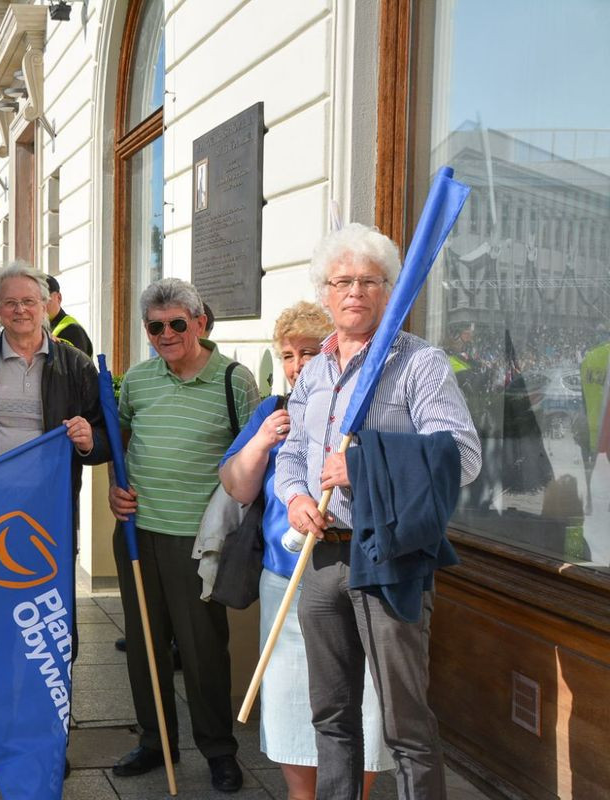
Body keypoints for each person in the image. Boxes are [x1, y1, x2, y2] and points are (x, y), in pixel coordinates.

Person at [274, 223, 481, 799]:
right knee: (331, 716)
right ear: (324, 292)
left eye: (370, 281)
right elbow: (292, 451)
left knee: (404, 724)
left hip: (389, 554)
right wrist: (293, 498)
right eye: (343, 281)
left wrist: (364, 465)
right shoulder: (313, 369)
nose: (355, 292)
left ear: (390, 291)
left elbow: (461, 456)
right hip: (320, 556)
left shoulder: (419, 363)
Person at [0, 260, 110, 782]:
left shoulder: (77, 366)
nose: (20, 311)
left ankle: (46, 740)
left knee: (49, 634)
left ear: (46, 306)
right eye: (10, 303)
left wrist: (89, 440)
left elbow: (107, 440)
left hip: (47, 521)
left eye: (29, 302)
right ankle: (0, 744)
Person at [218, 301, 393, 799]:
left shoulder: (366, 408)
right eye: (288, 354)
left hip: (354, 574)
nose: (296, 366)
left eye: (309, 353)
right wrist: (259, 445)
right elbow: (236, 486)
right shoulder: (271, 410)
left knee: (361, 705)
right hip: (286, 579)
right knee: (293, 704)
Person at [108, 277, 258, 794]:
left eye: (177, 323)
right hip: (138, 534)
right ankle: (156, 743)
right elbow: (121, 439)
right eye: (155, 327)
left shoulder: (233, 380)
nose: (166, 334)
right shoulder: (139, 382)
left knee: (202, 650)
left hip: (199, 540)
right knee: (145, 646)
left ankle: (218, 750)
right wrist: (114, 488)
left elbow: (251, 455)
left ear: (200, 322)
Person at [44, 275, 93, 357]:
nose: (40, 304)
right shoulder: (41, 326)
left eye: (44, 298)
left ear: (58, 298)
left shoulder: (72, 330)